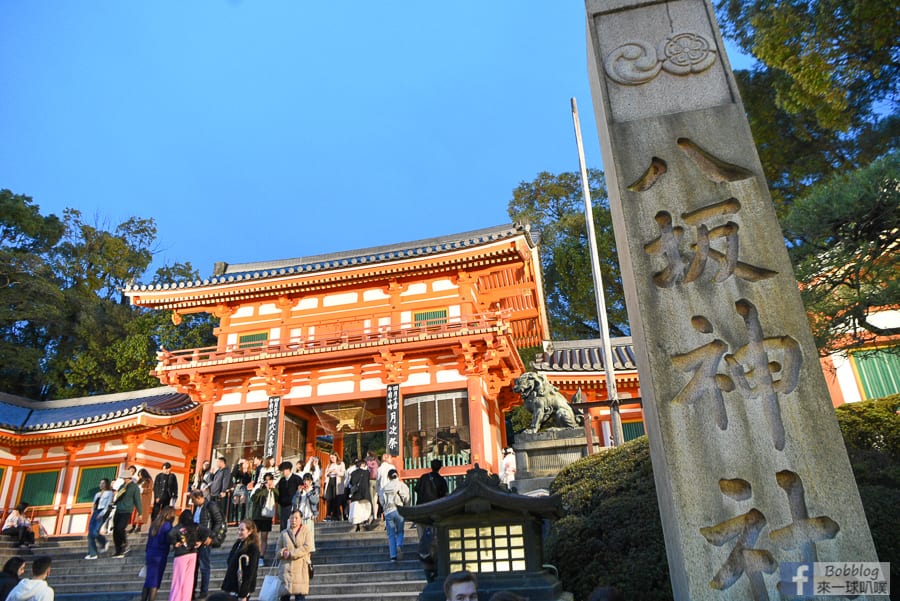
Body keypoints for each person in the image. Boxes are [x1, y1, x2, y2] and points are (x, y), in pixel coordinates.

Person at [416, 458, 449, 580]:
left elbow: (416, 489)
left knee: (422, 533)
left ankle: (423, 552)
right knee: (433, 533)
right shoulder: (441, 480)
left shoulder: (424, 477)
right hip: (434, 510)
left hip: (421, 509)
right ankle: (432, 552)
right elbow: (444, 495)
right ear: (440, 467)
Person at [190, 488, 224, 599]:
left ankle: (203, 591)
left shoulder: (210, 505)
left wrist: (211, 536)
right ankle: (192, 590)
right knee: (194, 568)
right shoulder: (197, 507)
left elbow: (218, 521)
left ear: (199, 498)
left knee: (204, 566)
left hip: (205, 539)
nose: (192, 502)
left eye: (193, 499)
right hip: (196, 539)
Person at [140, 506, 176, 601]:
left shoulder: (154, 523)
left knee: (148, 579)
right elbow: (169, 539)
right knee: (155, 581)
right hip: (160, 554)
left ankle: (143, 599)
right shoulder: (167, 526)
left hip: (150, 552)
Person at [169, 509, 206, 601]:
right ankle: (186, 598)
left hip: (181, 554)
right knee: (189, 579)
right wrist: (201, 541)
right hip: (193, 553)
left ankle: (175, 598)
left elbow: (170, 534)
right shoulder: (195, 526)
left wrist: (175, 543)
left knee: (178, 579)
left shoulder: (179, 527)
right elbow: (207, 532)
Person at [220, 519, 260, 601]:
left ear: (249, 531)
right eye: (239, 529)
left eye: (242, 530)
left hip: (241, 586)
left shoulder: (252, 547)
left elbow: (251, 571)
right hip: (232, 584)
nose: (239, 532)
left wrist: (244, 592)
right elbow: (230, 561)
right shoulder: (238, 543)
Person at [278, 510, 312, 601]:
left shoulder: (306, 531)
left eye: (296, 518)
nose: (294, 520)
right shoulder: (284, 533)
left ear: (301, 519)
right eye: (292, 518)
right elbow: (277, 550)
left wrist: (291, 553)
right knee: (284, 597)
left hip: (300, 568)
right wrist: (283, 551)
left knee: (300, 596)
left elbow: (307, 547)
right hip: (286, 569)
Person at [379, 469, 410, 562]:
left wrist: (384, 507)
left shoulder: (384, 487)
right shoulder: (401, 485)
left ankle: (393, 556)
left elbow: (381, 500)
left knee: (391, 534)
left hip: (388, 511)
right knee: (400, 531)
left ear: (388, 477)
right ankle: (399, 544)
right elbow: (406, 497)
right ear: (397, 475)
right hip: (399, 510)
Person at [250, 472, 277, 567]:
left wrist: (272, 489)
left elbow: (278, 497)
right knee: (255, 537)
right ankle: (254, 555)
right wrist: (264, 489)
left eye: (270, 479)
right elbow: (253, 498)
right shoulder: (259, 488)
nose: (268, 481)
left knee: (264, 537)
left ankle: (261, 556)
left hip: (267, 517)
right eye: (267, 479)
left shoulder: (273, 489)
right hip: (257, 516)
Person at [112, 472, 142, 557]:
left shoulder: (134, 487)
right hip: (118, 509)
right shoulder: (122, 486)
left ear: (129, 478)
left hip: (127, 510)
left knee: (120, 528)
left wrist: (140, 512)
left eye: (125, 478)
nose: (124, 480)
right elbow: (118, 497)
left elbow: (137, 500)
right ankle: (118, 550)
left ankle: (125, 544)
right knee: (115, 531)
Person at [85, 478, 113, 559]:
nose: (101, 485)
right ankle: (92, 553)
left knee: (95, 532)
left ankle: (103, 542)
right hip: (95, 512)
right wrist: (93, 512)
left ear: (106, 484)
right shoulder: (97, 494)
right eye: (100, 483)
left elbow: (107, 505)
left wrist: (101, 513)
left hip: (102, 512)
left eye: (103, 483)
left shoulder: (109, 493)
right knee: (90, 534)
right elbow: (94, 504)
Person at [294, 473, 319, 552]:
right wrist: (298, 493)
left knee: (309, 538)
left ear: (311, 481)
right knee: (300, 538)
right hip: (300, 517)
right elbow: (294, 502)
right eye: (304, 480)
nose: (306, 482)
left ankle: (308, 558)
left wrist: (308, 492)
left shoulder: (314, 490)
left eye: (308, 480)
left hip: (309, 516)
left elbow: (315, 501)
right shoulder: (300, 491)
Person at [347, 458, 372, 531]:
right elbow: (368, 483)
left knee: (357, 510)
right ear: (363, 464)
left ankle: (357, 524)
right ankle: (364, 522)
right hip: (364, 494)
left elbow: (351, 483)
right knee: (364, 509)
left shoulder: (353, 473)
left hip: (356, 494)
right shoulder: (367, 473)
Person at [276, 462, 301, 531]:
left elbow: (300, 492)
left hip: (293, 506)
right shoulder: (282, 480)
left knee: (292, 525)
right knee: (283, 526)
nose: (283, 472)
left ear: (289, 469)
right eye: (282, 470)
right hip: (283, 506)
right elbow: (279, 493)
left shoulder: (296, 479)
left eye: (284, 470)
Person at [322, 453, 346, 521]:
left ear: (336, 457)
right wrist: (329, 472)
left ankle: (336, 515)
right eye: (331, 458)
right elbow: (325, 474)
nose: (332, 459)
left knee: (336, 499)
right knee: (329, 498)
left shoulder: (341, 463)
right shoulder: (329, 465)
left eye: (333, 457)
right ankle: (328, 515)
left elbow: (343, 473)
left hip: (337, 481)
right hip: (330, 481)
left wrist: (336, 471)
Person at [230, 459, 253, 523]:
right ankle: (236, 520)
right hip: (237, 487)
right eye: (244, 463)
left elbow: (247, 480)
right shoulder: (239, 471)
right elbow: (233, 474)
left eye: (247, 464)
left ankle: (242, 520)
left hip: (243, 487)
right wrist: (237, 464)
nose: (245, 465)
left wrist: (245, 473)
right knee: (235, 503)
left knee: (243, 503)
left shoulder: (249, 472)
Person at [132, 468, 153, 533]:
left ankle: (139, 527)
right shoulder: (139, 481)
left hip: (144, 498)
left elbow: (150, 489)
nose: (140, 476)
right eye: (139, 475)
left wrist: (142, 490)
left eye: (141, 475)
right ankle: (133, 526)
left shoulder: (149, 481)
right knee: (134, 513)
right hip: (137, 498)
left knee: (141, 513)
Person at [376, 453, 395, 519]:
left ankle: (386, 518)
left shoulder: (379, 469)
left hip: (382, 490)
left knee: (385, 506)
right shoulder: (392, 467)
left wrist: (377, 491)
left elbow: (378, 481)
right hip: (391, 489)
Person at [364, 451, 380, 518]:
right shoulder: (377, 461)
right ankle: (376, 514)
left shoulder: (367, 461)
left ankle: (372, 513)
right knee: (375, 498)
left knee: (371, 498)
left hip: (370, 480)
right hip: (377, 480)